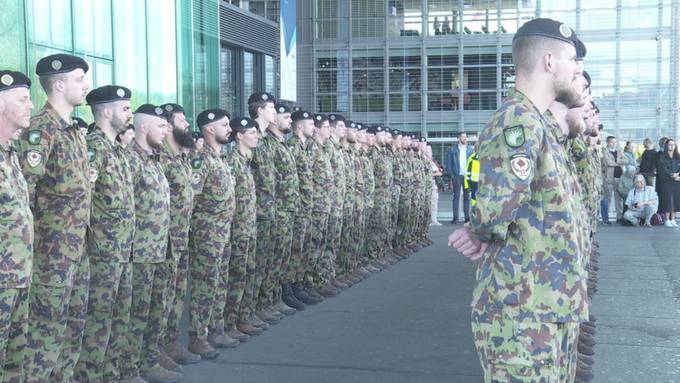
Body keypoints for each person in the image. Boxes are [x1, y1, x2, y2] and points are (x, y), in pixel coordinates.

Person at [448, 18, 587, 382]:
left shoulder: (536, 124)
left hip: (546, 301)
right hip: (524, 307)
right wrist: (478, 229)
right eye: (573, 60)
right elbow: (497, 205)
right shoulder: (518, 120)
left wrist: (480, 228)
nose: (577, 69)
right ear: (548, 61)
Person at [18, 53, 92, 382]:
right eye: (80, 79)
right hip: (52, 254)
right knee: (44, 336)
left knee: (73, 329)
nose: (86, 85)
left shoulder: (74, 132)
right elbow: (26, 193)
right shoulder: (40, 131)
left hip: (78, 250)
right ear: (58, 84)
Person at [73, 85, 135, 383]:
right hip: (102, 254)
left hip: (122, 251)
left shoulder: (117, 150)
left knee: (118, 318)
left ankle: (111, 374)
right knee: (97, 321)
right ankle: (90, 376)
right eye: (125, 108)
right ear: (106, 111)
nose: (130, 114)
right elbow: (83, 199)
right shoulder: (93, 148)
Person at [120, 104, 177, 383]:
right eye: (160, 125)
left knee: (156, 309)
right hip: (139, 251)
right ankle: (129, 369)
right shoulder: (129, 160)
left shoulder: (155, 159)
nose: (165, 131)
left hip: (159, 248)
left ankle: (149, 361)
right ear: (143, 127)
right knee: (137, 314)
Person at [188, 108, 236, 356]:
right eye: (224, 124)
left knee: (220, 282)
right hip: (207, 234)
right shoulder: (201, 160)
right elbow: (191, 198)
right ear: (209, 129)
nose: (230, 129)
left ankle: (216, 329)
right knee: (205, 285)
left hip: (223, 231)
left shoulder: (220, 159)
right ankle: (198, 336)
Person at [158, 103, 203, 369]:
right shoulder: (161, 158)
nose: (186, 124)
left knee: (176, 295)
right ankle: (157, 349)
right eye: (181, 119)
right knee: (163, 298)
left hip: (181, 236)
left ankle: (171, 343)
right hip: (163, 240)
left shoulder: (181, 158)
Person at [0, 70, 34, 383]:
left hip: (18, 276)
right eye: (22, 100)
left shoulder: (10, 154)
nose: (31, 105)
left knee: (14, 362)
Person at [223, 116, 259, 344]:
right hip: (237, 230)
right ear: (239, 136)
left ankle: (242, 318)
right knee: (235, 276)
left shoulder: (247, 160)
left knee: (247, 273)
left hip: (249, 226)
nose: (256, 136)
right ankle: (229, 323)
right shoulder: (232, 162)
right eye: (252, 132)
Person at [445, 132, 473, 223]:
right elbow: (448, 164)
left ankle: (467, 218)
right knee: (456, 196)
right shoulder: (452, 150)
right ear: (458, 139)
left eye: (466, 137)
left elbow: (473, 163)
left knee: (466, 197)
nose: (465, 139)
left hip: (467, 176)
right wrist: (451, 175)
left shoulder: (470, 150)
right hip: (457, 175)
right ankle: (455, 217)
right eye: (463, 137)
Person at [601, 135, 626, 224]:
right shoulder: (604, 151)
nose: (614, 144)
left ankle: (619, 217)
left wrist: (616, 162)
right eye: (612, 142)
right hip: (609, 178)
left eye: (615, 142)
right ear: (608, 142)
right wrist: (619, 162)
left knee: (618, 199)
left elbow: (626, 160)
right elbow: (607, 162)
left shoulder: (618, 151)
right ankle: (605, 219)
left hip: (619, 178)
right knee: (608, 198)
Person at [657, 138, 680, 227]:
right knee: (668, 200)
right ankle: (667, 219)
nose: (672, 146)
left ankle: (673, 219)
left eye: (673, 144)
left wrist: (678, 176)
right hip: (666, 181)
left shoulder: (678, 157)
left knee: (675, 200)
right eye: (670, 144)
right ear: (666, 146)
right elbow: (662, 169)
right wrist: (672, 175)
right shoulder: (662, 157)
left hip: (677, 181)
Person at [427, 144, 442, 226]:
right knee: (428, 203)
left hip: (435, 184)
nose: (430, 152)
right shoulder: (424, 160)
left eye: (430, 150)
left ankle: (434, 219)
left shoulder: (433, 161)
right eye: (428, 150)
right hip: (428, 184)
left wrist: (438, 173)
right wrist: (436, 174)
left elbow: (440, 170)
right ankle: (428, 220)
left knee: (434, 202)